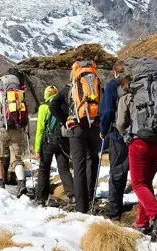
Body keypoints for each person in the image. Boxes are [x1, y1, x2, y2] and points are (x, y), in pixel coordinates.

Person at [116, 72, 157, 238]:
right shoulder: (156, 95)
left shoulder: (127, 98)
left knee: (138, 184)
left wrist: (125, 134)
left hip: (139, 143)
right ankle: (142, 223)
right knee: (146, 183)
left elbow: (120, 123)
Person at [0, 75, 28, 196]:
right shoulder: (20, 97)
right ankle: (21, 183)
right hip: (17, 130)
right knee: (17, 159)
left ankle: (0, 182)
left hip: (1, 131)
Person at [67, 62, 103, 214]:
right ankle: (91, 197)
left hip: (77, 128)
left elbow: (54, 106)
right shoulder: (98, 85)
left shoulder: (71, 88)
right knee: (93, 160)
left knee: (79, 166)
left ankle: (81, 207)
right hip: (94, 127)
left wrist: (66, 120)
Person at [34, 85, 75, 206]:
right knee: (64, 169)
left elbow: (40, 129)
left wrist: (37, 149)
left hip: (49, 142)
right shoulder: (63, 105)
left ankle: (41, 197)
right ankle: (72, 195)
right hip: (63, 140)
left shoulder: (44, 107)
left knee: (44, 168)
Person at [99, 60, 129, 219]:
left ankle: (114, 210)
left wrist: (103, 130)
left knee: (117, 171)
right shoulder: (137, 84)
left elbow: (107, 111)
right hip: (138, 133)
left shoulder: (112, 85)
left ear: (115, 72)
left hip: (118, 133)